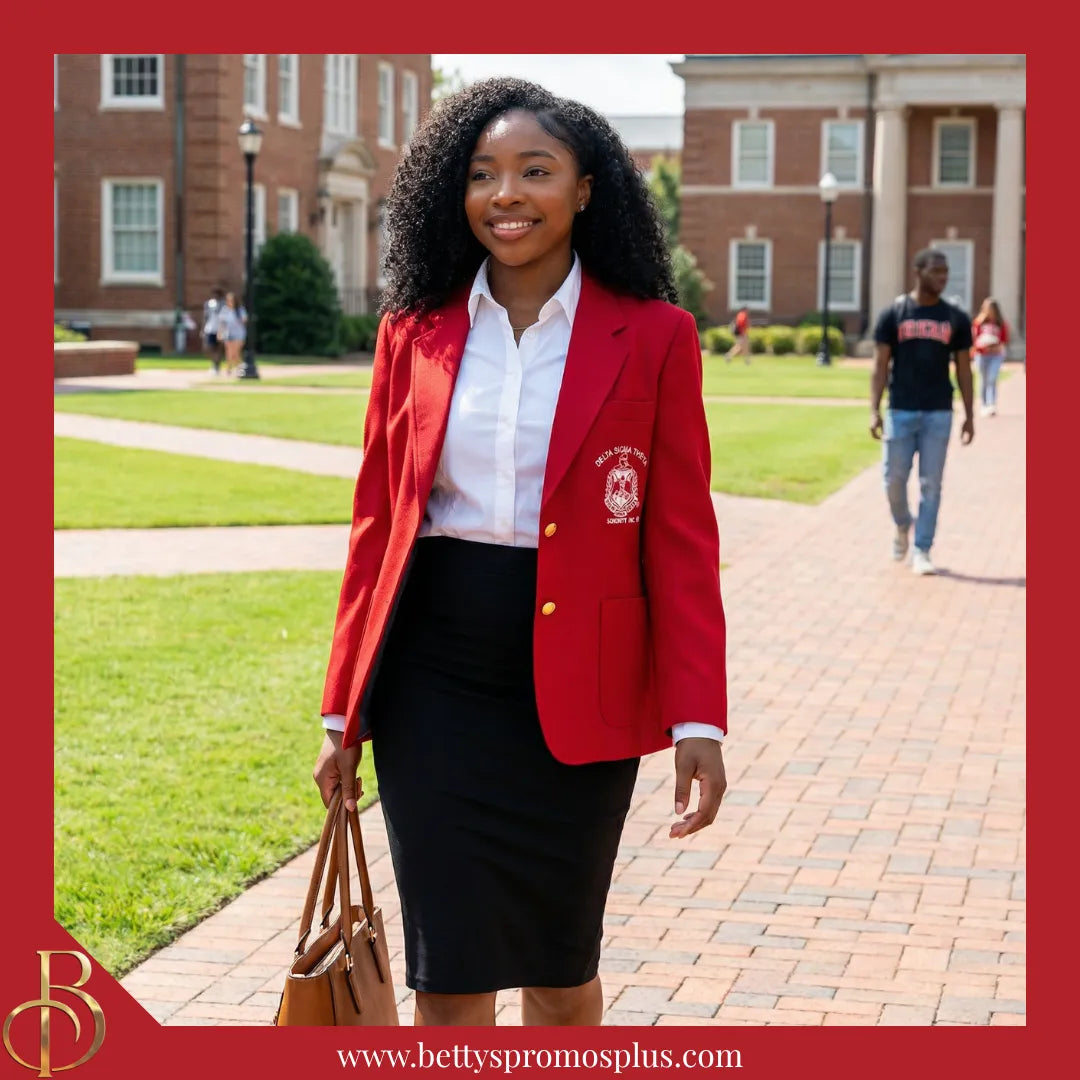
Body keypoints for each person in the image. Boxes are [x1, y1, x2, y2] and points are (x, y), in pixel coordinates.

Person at [312, 77, 728, 1028]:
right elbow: (376, 525)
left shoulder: (655, 337)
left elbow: (680, 539)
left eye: (535, 171)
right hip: (435, 680)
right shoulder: (413, 333)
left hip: (585, 683)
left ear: (586, 189)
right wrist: (343, 708)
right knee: (447, 974)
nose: (506, 193)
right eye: (482, 174)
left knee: (557, 968)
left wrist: (698, 715)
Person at [870, 248, 974, 576]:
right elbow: (880, 365)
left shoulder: (955, 318)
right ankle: (903, 524)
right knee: (893, 479)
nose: (943, 277)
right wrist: (874, 409)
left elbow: (964, 370)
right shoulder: (895, 314)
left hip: (938, 412)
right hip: (900, 409)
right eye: (936, 271)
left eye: (945, 272)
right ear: (918, 271)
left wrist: (969, 414)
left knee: (931, 484)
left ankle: (922, 548)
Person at [971, 297, 1009, 417]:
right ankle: (984, 404)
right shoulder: (979, 323)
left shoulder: (1001, 324)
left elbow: (1004, 341)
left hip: (996, 355)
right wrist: (982, 346)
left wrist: (994, 347)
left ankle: (991, 404)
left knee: (992, 379)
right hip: (981, 355)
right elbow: (974, 340)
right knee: (983, 379)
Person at [218, 292, 247, 376]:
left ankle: (239, 368)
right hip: (228, 333)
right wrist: (220, 333)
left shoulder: (240, 310)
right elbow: (222, 323)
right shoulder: (225, 310)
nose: (230, 302)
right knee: (229, 353)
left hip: (239, 334)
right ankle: (229, 369)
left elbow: (244, 320)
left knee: (236, 352)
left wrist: (239, 319)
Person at [201, 287, 226, 374]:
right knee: (209, 348)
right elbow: (205, 317)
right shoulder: (208, 304)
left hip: (219, 329)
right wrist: (202, 329)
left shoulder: (224, 304)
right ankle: (214, 363)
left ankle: (216, 366)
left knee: (218, 349)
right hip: (210, 329)